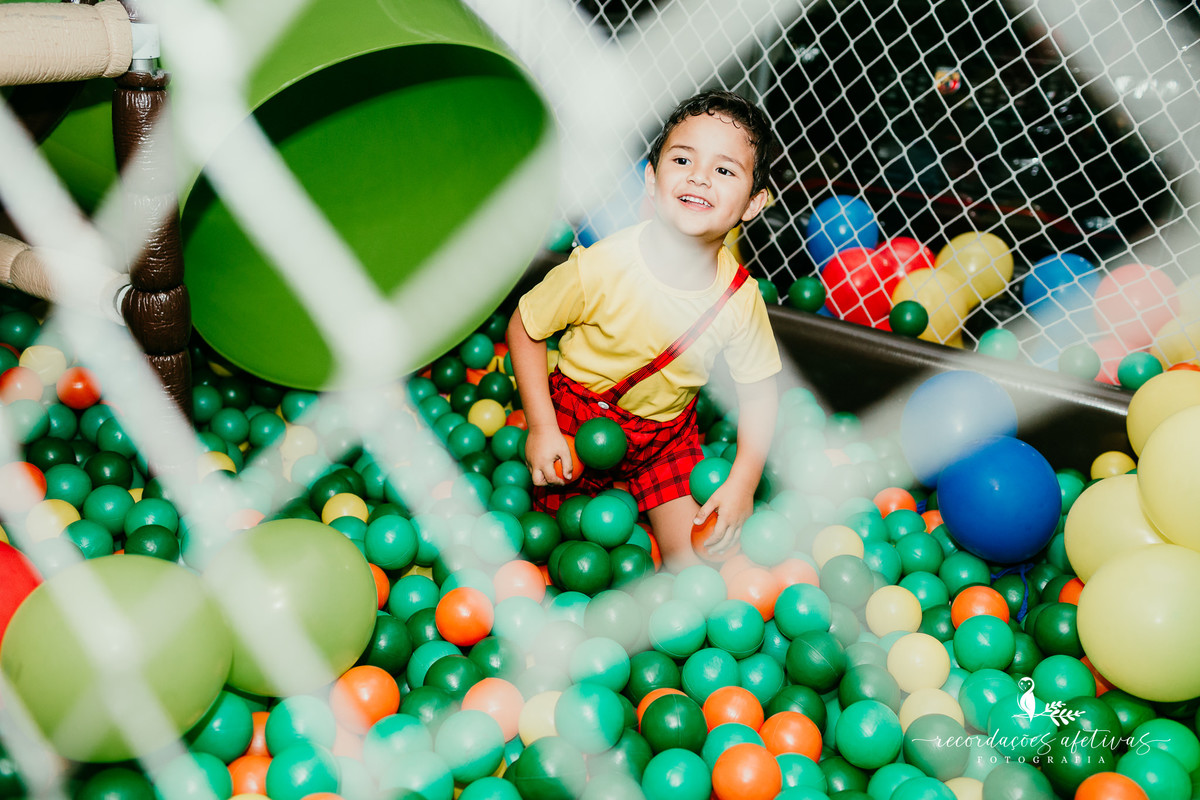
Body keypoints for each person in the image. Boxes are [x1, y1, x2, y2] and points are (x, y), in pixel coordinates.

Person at [507, 89, 782, 570]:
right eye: (683, 159)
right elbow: (526, 327)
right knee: (548, 550)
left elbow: (760, 395)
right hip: (578, 421)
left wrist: (741, 483)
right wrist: (541, 426)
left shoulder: (741, 298)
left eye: (724, 170)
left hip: (664, 440)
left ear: (754, 203)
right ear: (651, 180)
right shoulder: (602, 267)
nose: (699, 176)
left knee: (696, 565)